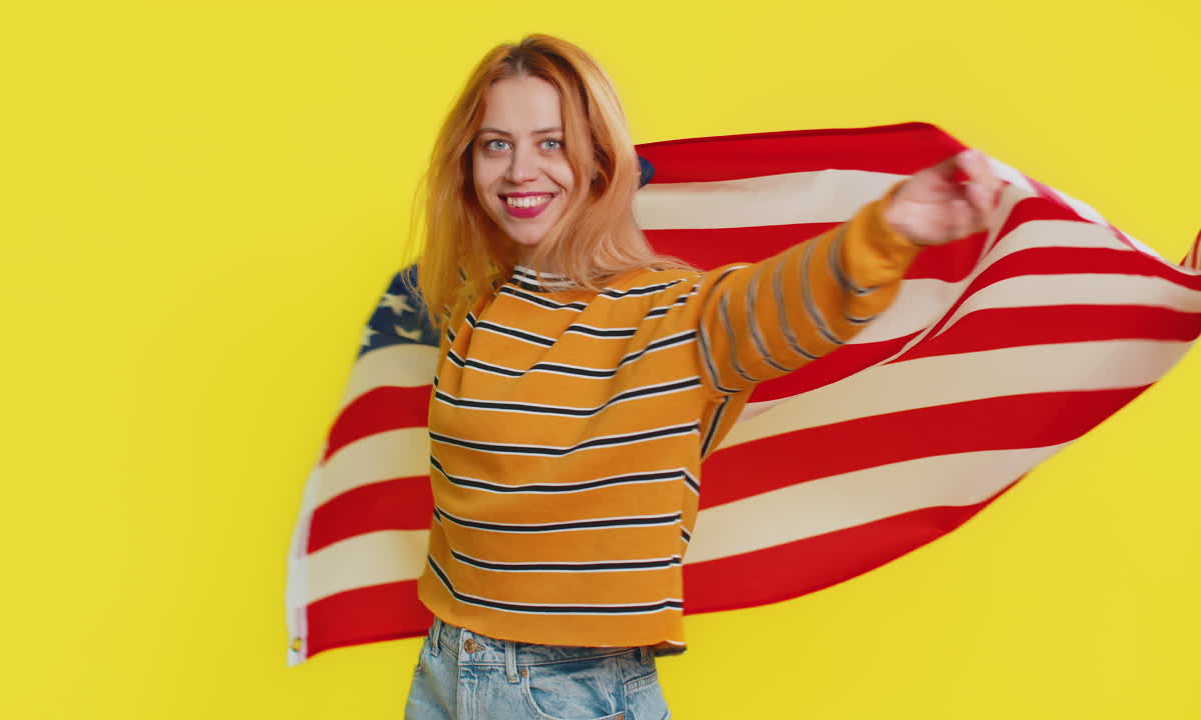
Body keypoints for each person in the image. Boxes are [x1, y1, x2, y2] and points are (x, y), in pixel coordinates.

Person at [402, 34, 1001, 720]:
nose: (519, 170)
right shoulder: (480, 305)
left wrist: (887, 232)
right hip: (447, 662)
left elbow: (763, 313)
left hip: (560, 688)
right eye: (495, 144)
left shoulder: (667, 310)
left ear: (600, 162)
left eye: (552, 141)